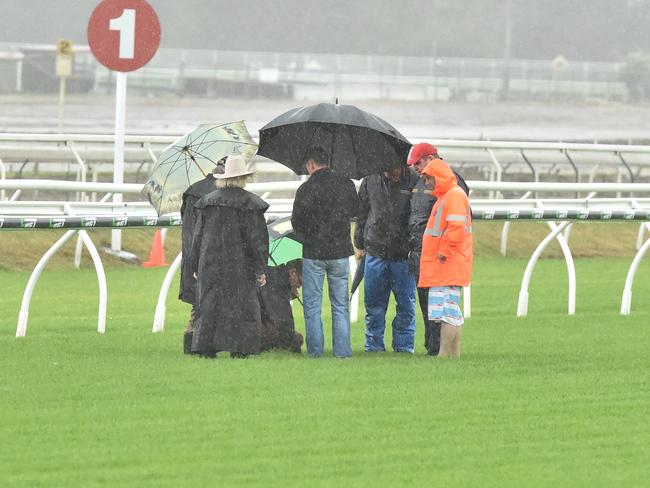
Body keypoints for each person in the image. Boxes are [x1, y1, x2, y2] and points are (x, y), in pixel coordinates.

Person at [190, 154, 269, 359]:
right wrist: (259, 268)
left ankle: (206, 347)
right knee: (241, 307)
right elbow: (257, 241)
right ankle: (239, 348)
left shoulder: (207, 203)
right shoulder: (251, 204)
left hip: (210, 263)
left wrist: (194, 265)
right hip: (240, 266)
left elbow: (197, 237)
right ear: (243, 178)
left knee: (210, 306)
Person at [291, 147, 359, 358]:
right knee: (340, 305)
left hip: (313, 254)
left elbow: (296, 223)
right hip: (339, 252)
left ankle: (316, 352)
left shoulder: (305, 189)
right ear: (328, 162)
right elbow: (356, 211)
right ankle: (342, 352)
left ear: (311, 164)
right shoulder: (346, 184)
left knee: (312, 306)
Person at [407, 142, 469, 355]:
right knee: (443, 313)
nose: (425, 183)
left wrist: (444, 252)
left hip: (446, 264)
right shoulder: (445, 197)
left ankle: (445, 353)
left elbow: (456, 227)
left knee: (447, 314)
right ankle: (446, 352)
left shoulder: (453, 195)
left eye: (427, 178)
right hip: (440, 265)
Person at [354, 166, 419, 353]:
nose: (390, 174)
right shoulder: (370, 179)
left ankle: (404, 347)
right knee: (374, 305)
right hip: (375, 252)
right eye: (386, 170)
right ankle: (373, 347)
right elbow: (362, 213)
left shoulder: (414, 180)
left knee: (406, 306)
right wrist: (359, 242)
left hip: (403, 256)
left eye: (393, 170)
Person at [179, 157, 226, 355]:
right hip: (210, 251)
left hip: (192, 249)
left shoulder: (193, 191)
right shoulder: (218, 194)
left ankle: (191, 340)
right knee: (209, 301)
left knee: (198, 301)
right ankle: (203, 341)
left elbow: (186, 221)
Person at [259, 259, 304, 353]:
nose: (300, 286)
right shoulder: (277, 283)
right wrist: (294, 339)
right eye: (300, 281)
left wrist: (289, 293)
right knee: (292, 338)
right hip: (257, 323)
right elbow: (283, 319)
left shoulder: (276, 276)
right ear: (293, 272)